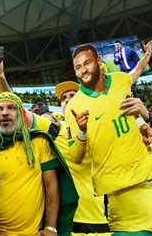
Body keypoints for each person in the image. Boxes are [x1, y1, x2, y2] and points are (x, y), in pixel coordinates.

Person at [65, 43, 152, 232]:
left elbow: (137, 71)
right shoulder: (73, 107)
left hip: (150, 176)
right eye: (78, 67)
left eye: (87, 63)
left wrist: (148, 54)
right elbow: (76, 157)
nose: (83, 70)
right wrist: (82, 131)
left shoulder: (120, 80)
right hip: (119, 193)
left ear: (99, 61)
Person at [0, 92, 77, 235]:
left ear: (21, 114)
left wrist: (50, 227)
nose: (5, 113)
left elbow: (51, 186)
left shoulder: (39, 140)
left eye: (11, 108)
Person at [54, 81, 110, 233]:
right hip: (69, 219)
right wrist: (0, 77)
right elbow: (19, 111)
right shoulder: (54, 129)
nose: (67, 99)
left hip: (100, 216)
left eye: (73, 95)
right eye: (64, 98)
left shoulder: (100, 127)